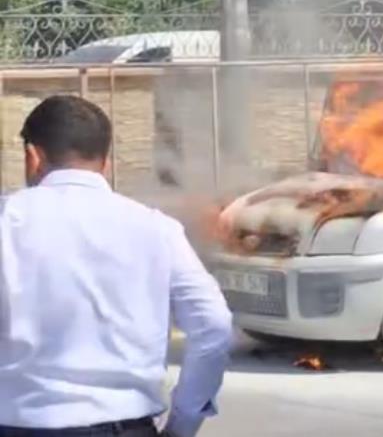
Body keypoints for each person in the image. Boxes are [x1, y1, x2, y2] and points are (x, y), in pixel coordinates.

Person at [0, 94, 233, 436]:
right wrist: (183, 424)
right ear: (106, 161)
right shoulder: (157, 228)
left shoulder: (6, 220)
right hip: (125, 428)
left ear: (33, 156)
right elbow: (213, 325)